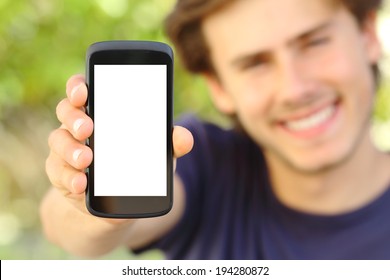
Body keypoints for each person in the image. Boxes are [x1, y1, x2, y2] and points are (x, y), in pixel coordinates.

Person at [41, 0, 390, 259]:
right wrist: (91, 203)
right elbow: (62, 225)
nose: (295, 89)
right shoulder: (205, 160)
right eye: (255, 63)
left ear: (368, 36)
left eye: (315, 42)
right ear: (219, 88)